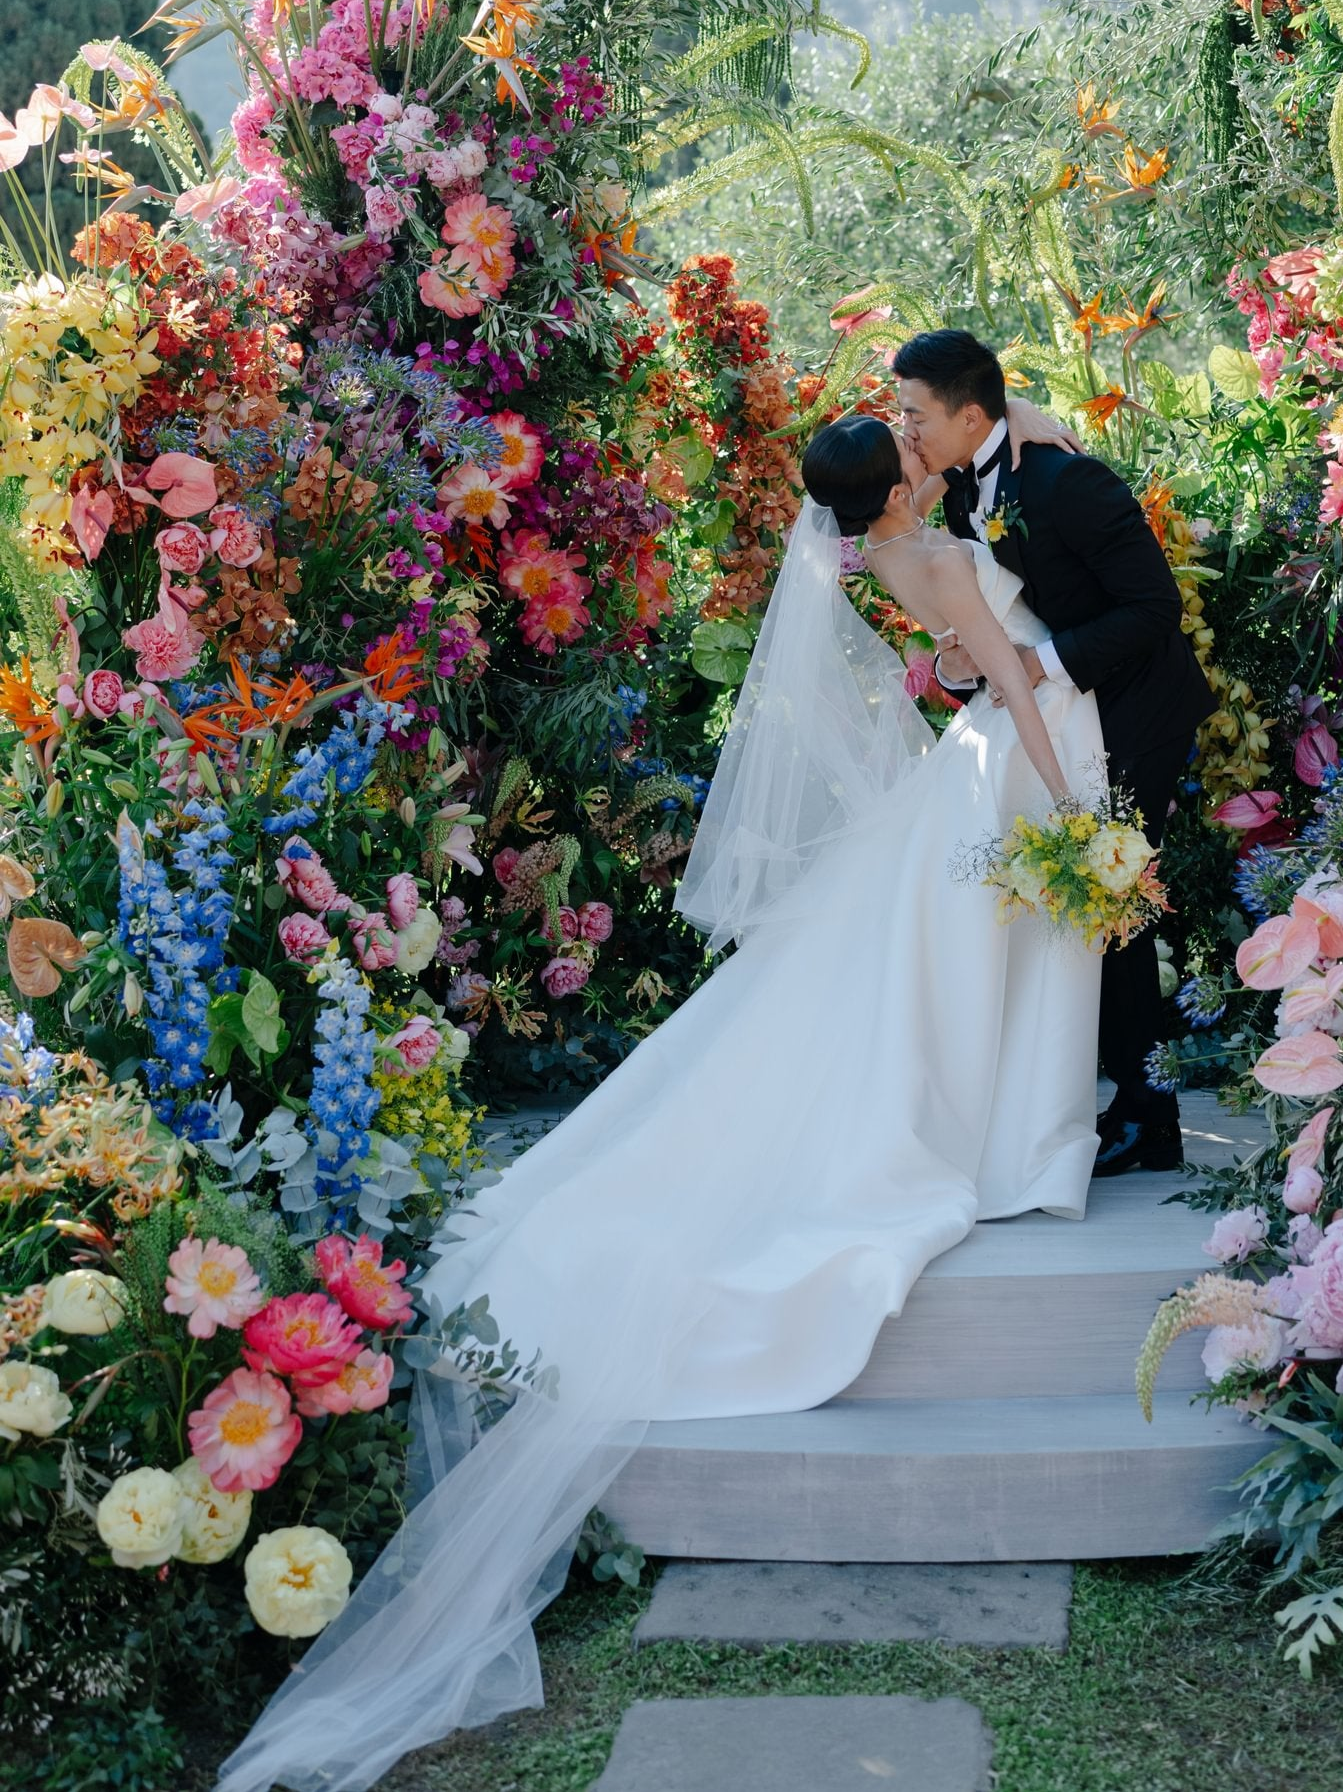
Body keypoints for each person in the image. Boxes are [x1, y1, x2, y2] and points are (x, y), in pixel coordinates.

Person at [212, 415, 1108, 1792]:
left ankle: (968, 1132)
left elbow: (959, 644)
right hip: (991, 778)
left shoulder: (881, 551)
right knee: (915, 1003)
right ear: (901, 484)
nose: (932, 445)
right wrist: (1080, 819)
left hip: (949, 782)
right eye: (914, 441)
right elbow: (1005, 678)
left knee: (871, 1001)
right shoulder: (929, 551)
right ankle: (978, 1142)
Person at [894, 329, 1215, 1176]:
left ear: (968, 415)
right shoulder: (962, 486)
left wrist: (1037, 664)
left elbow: (1154, 610)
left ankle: (1148, 1113)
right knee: (1090, 898)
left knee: (1115, 902)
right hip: (1061, 717)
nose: (906, 428)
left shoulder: (1068, 481)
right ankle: (1115, 1097)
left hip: (1137, 707)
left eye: (915, 413)